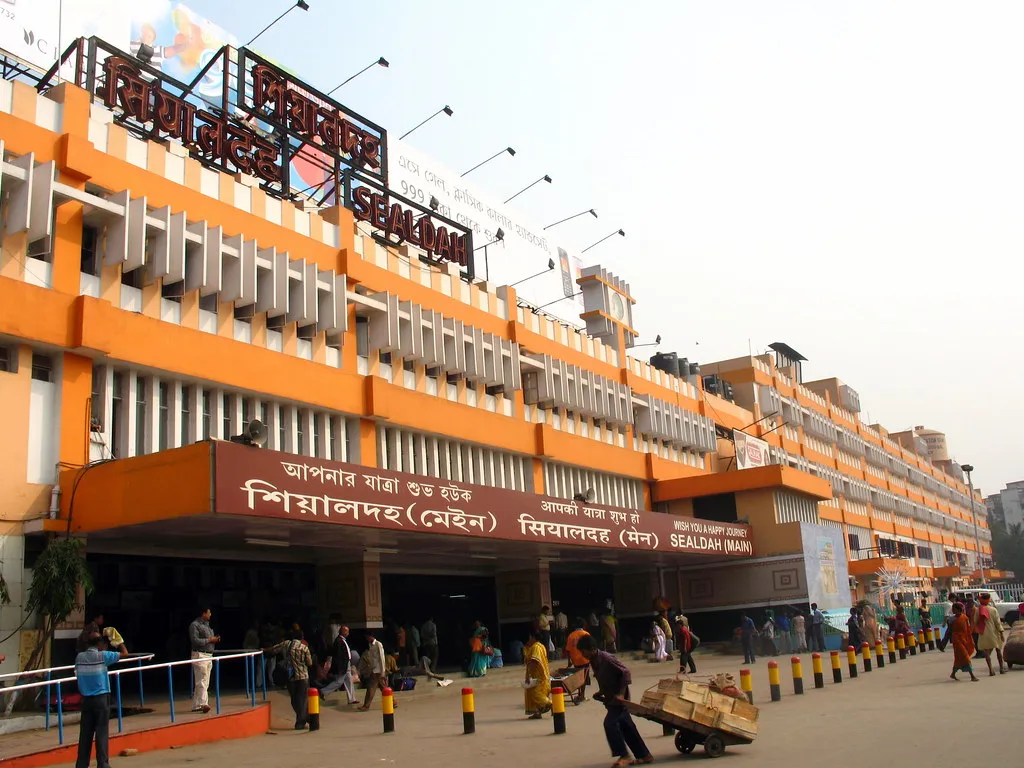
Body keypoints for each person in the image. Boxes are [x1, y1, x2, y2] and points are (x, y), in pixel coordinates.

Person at [577, 634, 653, 768]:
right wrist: (600, 693)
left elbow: (625, 672)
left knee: (610, 724)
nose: (582, 654)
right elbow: (605, 678)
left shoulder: (606, 658)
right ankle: (644, 755)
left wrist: (621, 694)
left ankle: (624, 756)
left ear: (592, 648)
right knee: (626, 726)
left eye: (583, 651)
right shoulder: (594, 661)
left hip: (618, 699)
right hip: (611, 698)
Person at [74, 631, 128, 768]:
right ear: (99, 643)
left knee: (85, 734)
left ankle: (81, 764)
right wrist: (119, 641)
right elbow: (124, 653)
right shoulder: (103, 656)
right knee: (101, 732)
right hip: (101, 699)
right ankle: (103, 764)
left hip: (86, 699)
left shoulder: (79, 657)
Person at [265, 628, 313, 728]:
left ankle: (302, 718)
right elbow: (310, 663)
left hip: (290, 676)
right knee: (303, 699)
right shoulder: (304, 648)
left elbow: (274, 649)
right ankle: (302, 721)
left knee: (294, 699)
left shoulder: (287, 644)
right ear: (302, 637)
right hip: (303, 676)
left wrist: (264, 650)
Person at [188, 607, 221, 714]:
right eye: (209, 612)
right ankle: (203, 704)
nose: (210, 614)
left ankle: (196, 705)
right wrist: (209, 640)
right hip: (200, 655)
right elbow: (195, 640)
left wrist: (214, 640)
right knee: (201, 680)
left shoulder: (207, 625)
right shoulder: (194, 625)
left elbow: (209, 639)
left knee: (204, 681)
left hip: (208, 655)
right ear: (203, 613)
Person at [320, 625, 357, 704]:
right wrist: (340, 667)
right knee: (339, 681)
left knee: (349, 681)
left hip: (347, 664)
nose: (348, 633)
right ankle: (323, 692)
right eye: (346, 631)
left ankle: (352, 699)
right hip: (343, 664)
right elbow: (338, 656)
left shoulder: (342, 640)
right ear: (342, 631)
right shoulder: (339, 641)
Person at [523, 631, 552, 719]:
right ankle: (537, 712)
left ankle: (551, 704)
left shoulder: (536, 647)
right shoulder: (541, 646)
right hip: (541, 675)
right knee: (535, 693)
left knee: (536, 693)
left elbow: (535, 661)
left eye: (530, 637)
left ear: (533, 638)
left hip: (539, 675)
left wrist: (529, 676)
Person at [948, 602, 979, 682]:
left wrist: (970, 639)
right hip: (957, 640)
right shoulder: (951, 619)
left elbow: (968, 629)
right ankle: (972, 676)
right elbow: (949, 631)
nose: (952, 610)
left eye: (954, 609)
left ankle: (953, 674)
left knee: (959, 658)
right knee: (965, 657)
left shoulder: (964, 618)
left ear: (958, 609)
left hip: (964, 639)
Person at [976, 593, 1006, 676]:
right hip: (994, 632)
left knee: (987, 652)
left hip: (984, 633)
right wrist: (1001, 633)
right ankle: (1001, 668)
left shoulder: (978, 610)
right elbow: (998, 623)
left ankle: (991, 670)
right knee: (998, 650)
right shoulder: (993, 610)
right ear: (989, 599)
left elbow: (975, 622)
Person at [358, 630, 388, 711]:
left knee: (370, 688)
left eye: (367, 637)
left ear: (370, 636)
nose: (367, 639)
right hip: (374, 669)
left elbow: (382, 658)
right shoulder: (370, 645)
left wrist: (383, 672)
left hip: (378, 670)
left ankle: (366, 705)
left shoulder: (378, 644)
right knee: (383, 688)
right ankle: (392, 702)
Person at [564, 619, 592, 701]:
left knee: (579, 678)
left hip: (575, 660)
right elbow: (591, 647)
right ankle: (582, 695)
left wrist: (569, 661)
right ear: (583, 625)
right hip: (585, 659)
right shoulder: (586, 634)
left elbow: (568, 650)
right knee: (584, 678)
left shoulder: (571, 635)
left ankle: (580, 694)